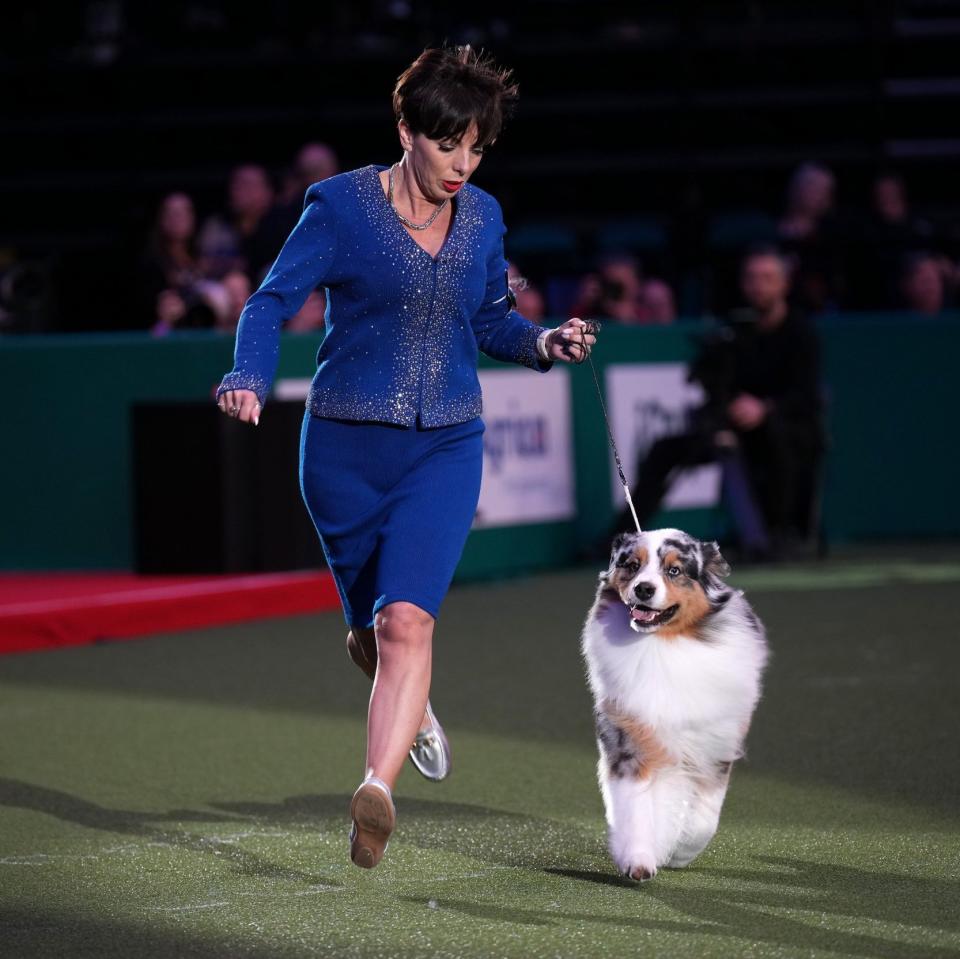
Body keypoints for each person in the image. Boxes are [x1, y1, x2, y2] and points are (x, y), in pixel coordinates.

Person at [215, 45, 596, 870]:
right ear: (406, 130)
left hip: (447, 444)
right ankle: (414, 710)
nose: (462, 163)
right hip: (344, 453)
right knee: (367, 634)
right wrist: (248, 372)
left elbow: (492, 320)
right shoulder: (341, 208)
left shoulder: (485, 216)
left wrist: (545, 340)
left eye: (477, 147)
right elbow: (270, 300)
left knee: (407, 619)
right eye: (447, 142)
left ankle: (375, 793)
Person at [605, 246, 822, 558]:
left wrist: (764, 408)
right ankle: (622, 538)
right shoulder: (732, 330)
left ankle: (778, 534)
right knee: (665, 449)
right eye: (751, 278)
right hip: (731, 428)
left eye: (767, 278)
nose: (758, 286)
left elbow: (805, 394)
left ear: (784, 284)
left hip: (786, 430)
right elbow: (709, 378)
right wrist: (728, 410)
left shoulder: (801, 334)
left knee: (776, 437)